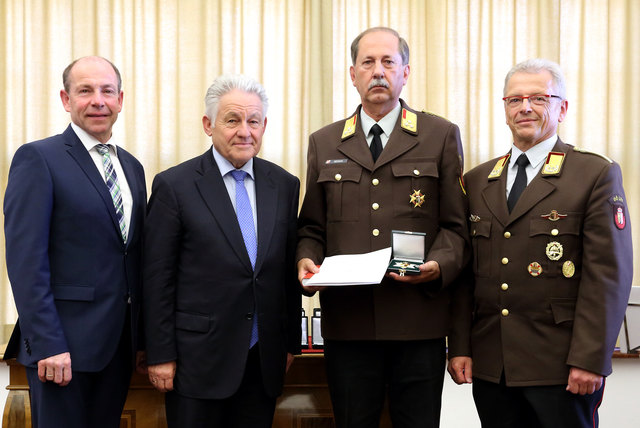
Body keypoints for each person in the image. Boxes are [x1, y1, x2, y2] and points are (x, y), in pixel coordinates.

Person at [297, 27, 468, 428]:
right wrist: (306, 260)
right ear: (352, 74)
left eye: (388, 62)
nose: (378, 72)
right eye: (368, 62)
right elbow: (311, 228)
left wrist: (439, 265)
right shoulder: (324, 142)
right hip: (349, 327)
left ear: (405, 72)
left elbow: (456, 228)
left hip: (418, 324)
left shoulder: (439, 135)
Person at [448, 58, 633, 427]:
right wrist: (461, 347)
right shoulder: (478, 180)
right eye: (515, 100)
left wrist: (590, 358)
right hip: (492, 364)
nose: (525, 108)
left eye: (539, 98)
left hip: (561, 365)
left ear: (562, 108)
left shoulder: (593, 174)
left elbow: (607, 276)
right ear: (504, 109)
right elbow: (465, 275)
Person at [143, 74, 301, 427]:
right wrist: (160, 353)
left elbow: (283, 273)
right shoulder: (175, 186)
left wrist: (290, 342)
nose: (244, 131)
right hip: (196, 362)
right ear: (208, 125)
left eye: (254, 121)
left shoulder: (285, 185)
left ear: (264, 126)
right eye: (232, 120)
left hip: (263, 362)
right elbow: (157, 278)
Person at [3, 56, 147, 428]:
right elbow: (25, 262)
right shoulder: (39, 158)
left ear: (120, 100)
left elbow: (132, 256)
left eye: (107, 91)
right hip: (62, 349)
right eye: (85, 91)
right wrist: (48, 343)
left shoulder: (132, 167)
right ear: (67, 100)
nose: (98, 100)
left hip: (117, 348)